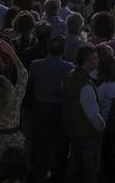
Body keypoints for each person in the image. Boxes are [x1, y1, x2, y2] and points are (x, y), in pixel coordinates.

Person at [28, 35, 72, 183]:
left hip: (40, 108)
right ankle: (56, 174)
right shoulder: (68, 67)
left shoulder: (35, 65)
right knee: (58, 144)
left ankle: (40, 172)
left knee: (41, 143)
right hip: (57, 109)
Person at [62, 44, 105, 183]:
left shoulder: (70, 77)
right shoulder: (85, 84)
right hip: (87, 134)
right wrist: (102, 126)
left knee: (75, 171)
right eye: (94, 58)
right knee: (89, 173)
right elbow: (92, 114)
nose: (97, 61)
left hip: (73, 131)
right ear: (86, 61)